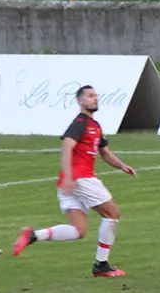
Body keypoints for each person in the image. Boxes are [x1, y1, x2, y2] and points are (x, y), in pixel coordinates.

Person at [12, 85, 137, 277]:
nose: (95, 98)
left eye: (96, 95)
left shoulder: (95, 126)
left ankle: (34, 235)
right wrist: (70, 176)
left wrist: (122, 165)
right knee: (112, 213)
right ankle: (101, 265)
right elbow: (66, 146)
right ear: (80, 101)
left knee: (79, 230)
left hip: (71, 182)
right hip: (80, 178)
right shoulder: (80, 123)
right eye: (89, 96)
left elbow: (105, 153)